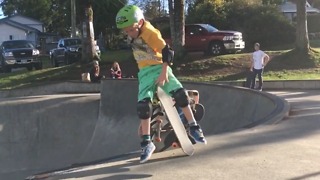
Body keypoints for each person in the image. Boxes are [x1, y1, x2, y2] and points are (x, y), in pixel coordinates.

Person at [116, 5, 207, 163]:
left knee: (180, 95)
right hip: (144, 73)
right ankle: (146, 143)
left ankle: (193, 126)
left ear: (141, 22)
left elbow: (167, 51)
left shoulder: (151, 33)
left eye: (131, 29)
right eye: (126, 30)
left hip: (159, 67)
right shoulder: (131, 30)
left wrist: (164, 71)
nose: (128, 33)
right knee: (143, 107)